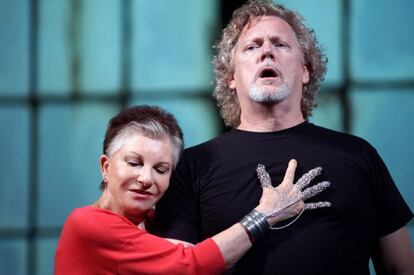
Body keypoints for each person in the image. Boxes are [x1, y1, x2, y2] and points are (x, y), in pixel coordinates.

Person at [153, 1, 414, 274]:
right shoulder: (193, 165)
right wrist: (262, 218)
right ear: (231, 76)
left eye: (280, 44)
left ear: (304, 71)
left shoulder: (358, 155)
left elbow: (401, 267)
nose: (267, 52)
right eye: (252, 47)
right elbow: (176, 269)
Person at [54, 105, 330, 275]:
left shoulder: (153, 225)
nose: (145, 178)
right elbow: (191, 265)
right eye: (134, 163)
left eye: (161, 169)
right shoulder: (88, 224)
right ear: (106, 166)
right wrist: (265, 214)